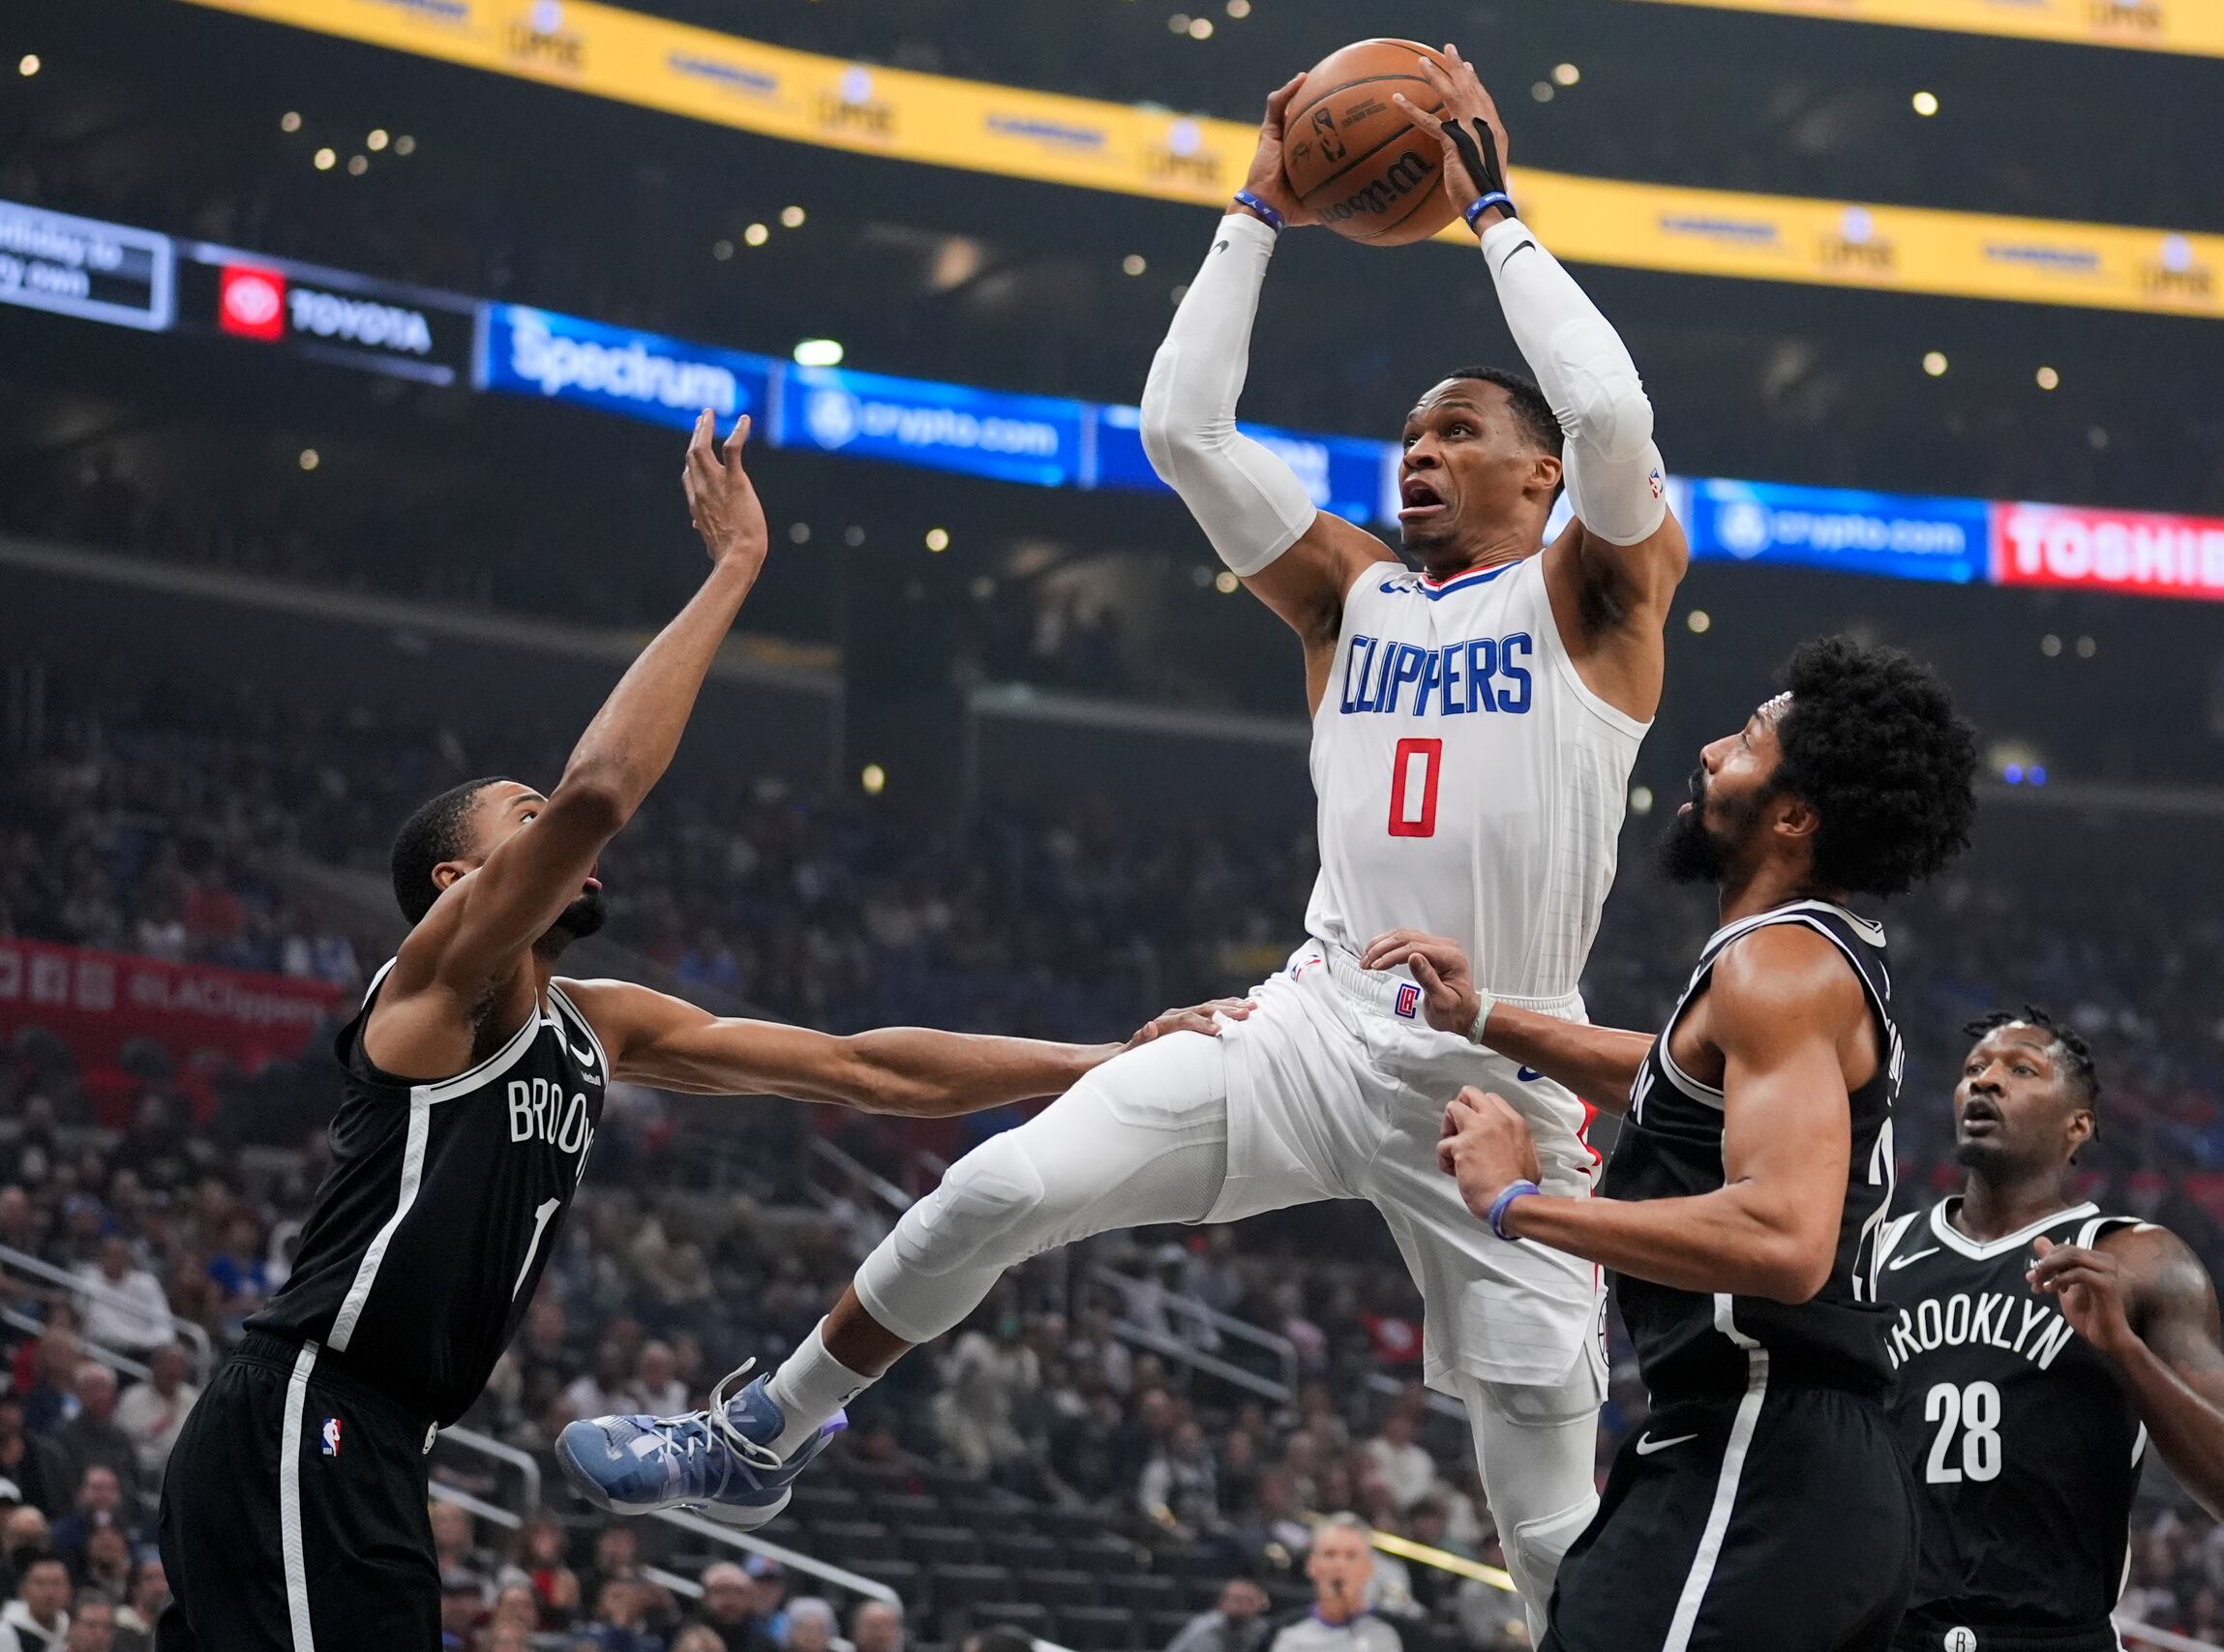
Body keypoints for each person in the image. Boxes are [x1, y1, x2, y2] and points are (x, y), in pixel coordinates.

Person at [567, 50, 1689, 1633]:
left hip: (1502, 1077)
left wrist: (1492, 208)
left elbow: (1618, 404)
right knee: (995, 1189)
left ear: (1542, 472)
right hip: (1311, 1021)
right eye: (1409, 434)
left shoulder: (1598, 596)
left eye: (1457, 432)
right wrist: (1257, 203)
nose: (1418, 453)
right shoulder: (1344, 592)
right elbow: (1180, 424)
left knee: (1555, 1537)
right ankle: (760, 1431)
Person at [155, 417, 1229, 1652]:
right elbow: (605, 789)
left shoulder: (594, 1024)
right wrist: (731, 571)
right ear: (460, 881)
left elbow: (862, 1067)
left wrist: (1103, 1059)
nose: (561, 821)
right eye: (527, 814)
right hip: (308, 1405)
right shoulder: (437, 987)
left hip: (382, 1436)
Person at [1372, 636, 1980, 1651]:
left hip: (1761, 1449)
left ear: (1791, 816)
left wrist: (1518, 1206)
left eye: (1743, 744)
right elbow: (1677, 1078)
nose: (1706, 752)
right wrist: (1484, 1019)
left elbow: (1785, 1243)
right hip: (1789, 1462)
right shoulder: (1791, 963)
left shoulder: (1777, 968)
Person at [1876, 1007, 2224, 1652]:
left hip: (2055, 1636)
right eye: (1974, 1069)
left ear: (2077, 1125)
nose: (1986, 1082)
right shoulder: (1880, 1252)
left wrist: (2124, 1350)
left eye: (2020, 1070)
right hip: (1894, 1634)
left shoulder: (2142, 1259)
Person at [1270, 1517, 1403, 1652]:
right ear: (1311, 1565)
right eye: (1330, 1554)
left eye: (1351, 1556)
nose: (1339, 1565)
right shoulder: (1284, 1632)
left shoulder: (1401, 1632)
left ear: (1369, 1568)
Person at [111, 1347, 195, 1493]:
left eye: (178, 1366)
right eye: (168, 1365)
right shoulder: (132, 1397)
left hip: (184, 1466)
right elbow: (122, 1437)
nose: (172, 1372)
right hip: (144, 1467)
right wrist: (154, 1429)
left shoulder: (193, 1397)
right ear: (154, 1366)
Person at [68, 1243, 172, 1359]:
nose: (116, 1260)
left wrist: (157, 1343)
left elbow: (164, 1324)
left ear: (128, 1258)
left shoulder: (147, 1282)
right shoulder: (89, 1280)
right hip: (105, 1350)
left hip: (148, 1350)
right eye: (111, 1255)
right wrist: (146, 1341)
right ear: (101, 1258)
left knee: (172, 1353)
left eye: (121, 1256)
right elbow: (105, 1330)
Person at [49, 1375, 136, 1514]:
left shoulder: (121, 1437)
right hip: (75, 1510)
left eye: (104, 1389)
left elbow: (133, 1477)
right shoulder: (63, 1435)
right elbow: (60, 1480)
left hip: (120, 1514)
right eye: (91, 1389)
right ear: (78, 1394)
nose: (99, 1395)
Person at [1166, 1579, 1274, 1652]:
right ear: (1221, 1602)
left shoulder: (1263, 1630)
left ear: (1259, 1605)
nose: (1238, 1605)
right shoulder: (1204, 1626)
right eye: (1234, 1599)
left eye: (1247, 1600)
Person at [0, 1557, 69, 1652]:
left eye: (56, 1583)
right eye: (40, 1583)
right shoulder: (6, 1633)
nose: (49, 1593)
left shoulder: (72, 1627)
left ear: (68, 1591)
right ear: (23, 1590)